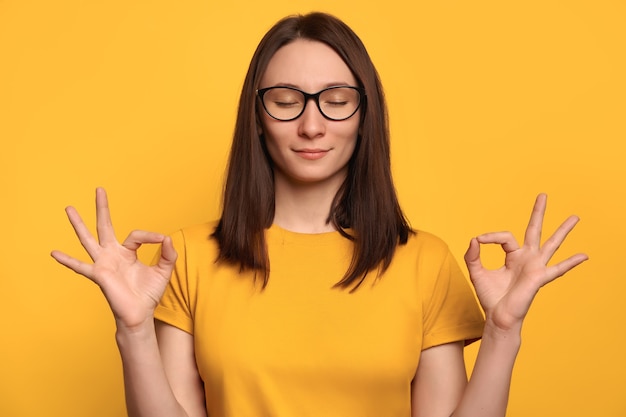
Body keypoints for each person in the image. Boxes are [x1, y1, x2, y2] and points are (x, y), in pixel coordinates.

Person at [51, 12, 588, 417]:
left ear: (364, 113)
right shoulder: (186, 257)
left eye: (335, 98)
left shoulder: (424, 260)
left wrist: (503, 332)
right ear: (257, 117)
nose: (312, 125)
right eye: (286, 99)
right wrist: (134, 330)